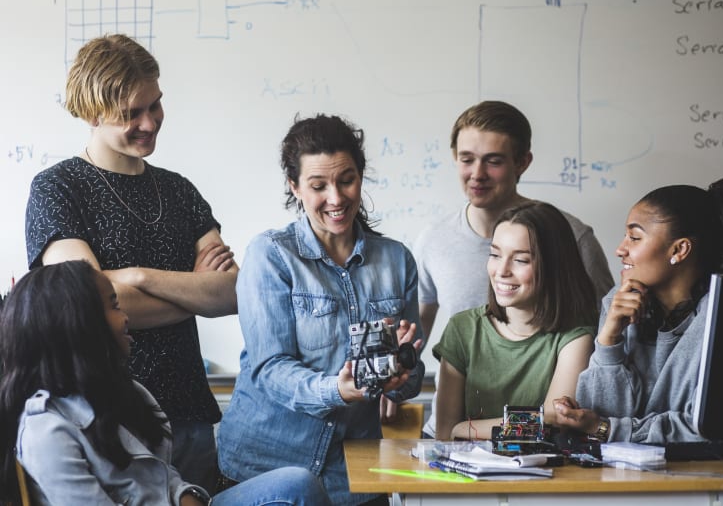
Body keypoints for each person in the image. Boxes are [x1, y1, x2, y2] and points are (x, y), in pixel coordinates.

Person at [24, 34, 237, 490]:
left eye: (155, 105)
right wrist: (192, 292)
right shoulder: (59, 189)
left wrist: (137, 278)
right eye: (131, 114)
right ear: (93, 113)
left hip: (189, 413)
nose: (150, 122)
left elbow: (230, 293)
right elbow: (85, 303)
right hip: (107, 421)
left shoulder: (179, 190)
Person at [0, 260, 332, 506]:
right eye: (115, 307)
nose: (126, 316)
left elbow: (162, 476)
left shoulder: (129, 393)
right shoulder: (46, 431)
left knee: (297, 485)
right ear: (79, 326)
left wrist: (186, 495)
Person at [217, 114, 424, 506]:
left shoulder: (398, 261)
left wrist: (403, 372)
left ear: (361, 176)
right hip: (267, 467)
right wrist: (338, 390)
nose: (336, 198)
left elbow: (412, 377)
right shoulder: (271, 256)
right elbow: (270, 369)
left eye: (346, 179)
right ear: (294, 187)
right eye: (318, 186)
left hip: (355, 478)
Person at [413, 100, 614, 438]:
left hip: (543, 445)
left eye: (493, 161)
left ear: (522, 163)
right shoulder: (433, 241)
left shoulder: (571, 239)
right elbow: (416, 330)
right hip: (455, 442)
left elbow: (605, 336)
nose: (477, 174)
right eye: (467, 159)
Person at [554, 177, 723, 444]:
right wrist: (609, 341)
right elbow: (597, 417)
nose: (620, 249)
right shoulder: (618, 303)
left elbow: (705, 428)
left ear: (679, 249)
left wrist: (608, 428)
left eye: (634, 237)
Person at [435, 201, 597, 441]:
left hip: (546, 475)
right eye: (495, 255)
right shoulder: (463, 328)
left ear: (553, 266)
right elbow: (446, 435)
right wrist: (537, 419)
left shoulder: (575, 336)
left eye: (520, 260)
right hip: (468, 474)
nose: (501, 270)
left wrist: (467, 429)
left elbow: (554, 422)